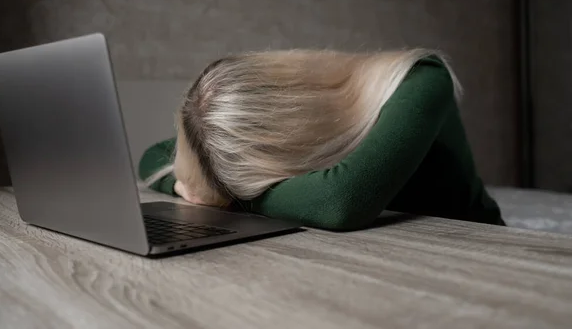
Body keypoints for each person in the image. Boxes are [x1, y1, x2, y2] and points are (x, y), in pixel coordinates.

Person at [139, 48, 506, 230]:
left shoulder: (422, 78)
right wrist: (195, 185)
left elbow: (338, 202)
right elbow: (153, 156)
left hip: (472, 245)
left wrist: (225, 196)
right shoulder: (304, 130)